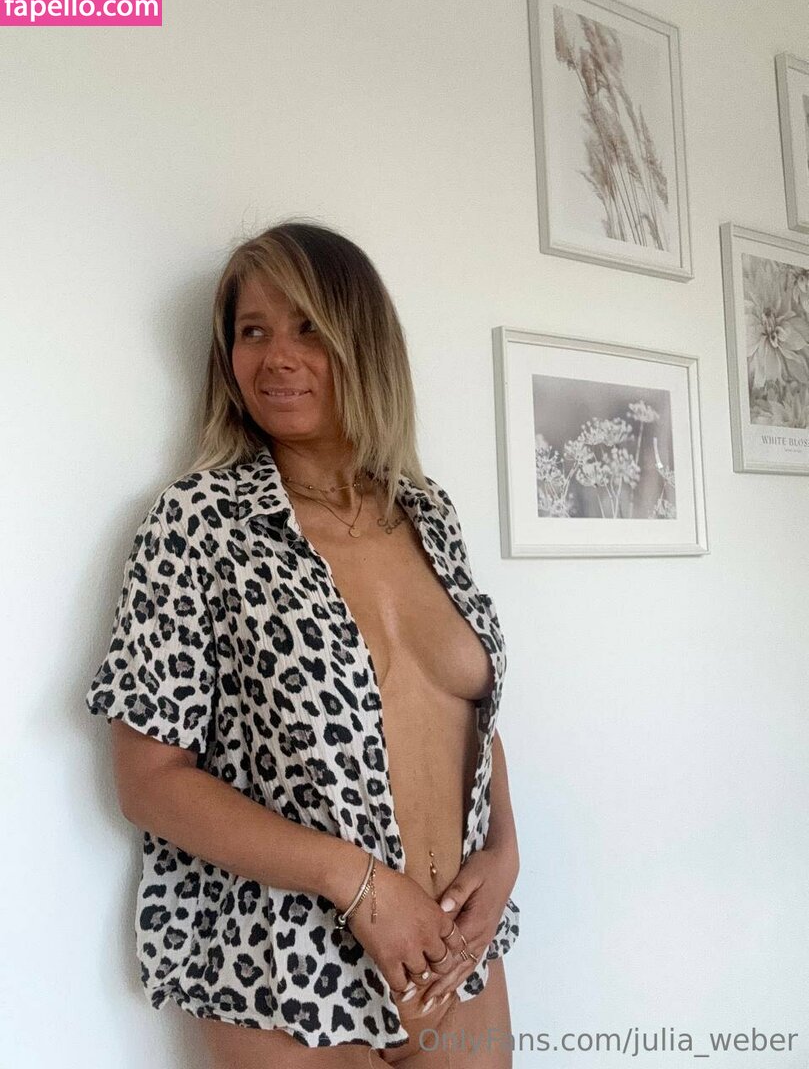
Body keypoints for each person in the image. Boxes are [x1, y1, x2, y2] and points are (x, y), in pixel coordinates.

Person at [85, 219, 521, 1067]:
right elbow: (149, 781)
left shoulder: (427, 511)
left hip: (457, 955)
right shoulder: (198, 524)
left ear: (364, 342)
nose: (276, 358)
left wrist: (504, 853)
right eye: (252, 332)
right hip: (287, 969)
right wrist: (357, 883)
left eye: (307, 328)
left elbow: (470, 711)